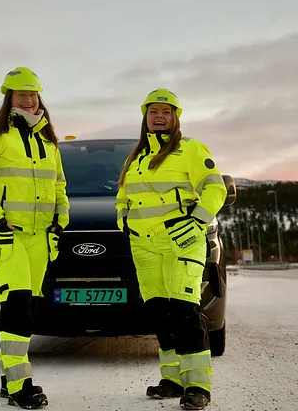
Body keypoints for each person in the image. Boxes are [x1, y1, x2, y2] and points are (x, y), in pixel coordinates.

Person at [115, 89, 227, 410]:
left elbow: (215, 187)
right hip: (144, 246)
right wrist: (124, 220)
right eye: (153, 112)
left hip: (181, 242)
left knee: (184, 310)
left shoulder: (190, 149)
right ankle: (172, 379)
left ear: (176, 117)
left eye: (166, 112)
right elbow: (123, 196)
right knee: (159, 312)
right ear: (145, 116)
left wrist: (197, 221)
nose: (159, 117)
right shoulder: (136, 157)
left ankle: (198, 385)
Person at [0, 66, 70, 409]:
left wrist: (60, 219)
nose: (28, 100)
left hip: (40, 238)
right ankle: (19, 385)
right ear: (9, 97)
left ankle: (8, 376)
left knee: (27, 307)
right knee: (17, 305)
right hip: (5, 236)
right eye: (21, 94)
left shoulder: (47, 141)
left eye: (33, 94)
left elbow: (58, 184)